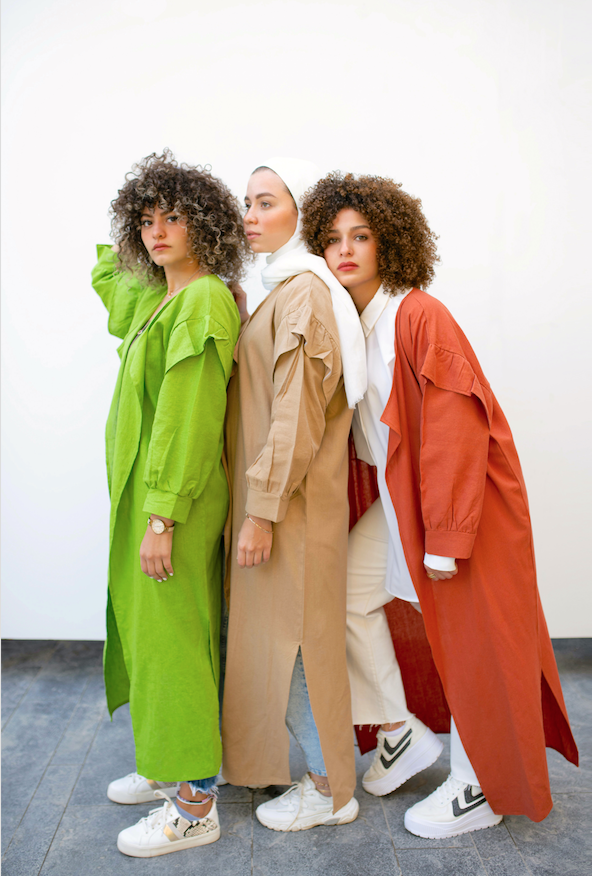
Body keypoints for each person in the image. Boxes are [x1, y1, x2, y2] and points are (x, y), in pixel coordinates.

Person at [301, 172, 579, 839]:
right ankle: (397, 731)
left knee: (477, 642)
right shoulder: (355, 322)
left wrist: (449, 536)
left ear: (389, 243)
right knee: (346, 597)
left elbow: (457, 424)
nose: (346, 250)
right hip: (408, 505)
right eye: (333, 239)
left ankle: (478, 785)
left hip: (462, 509)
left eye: (361, 236)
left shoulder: (418, 313)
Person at [91, 150, 246, 857]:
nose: (158, 231)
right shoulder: (158, 297)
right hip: (147, 501)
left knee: (176, 642)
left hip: (172, 504)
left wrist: (164, 516)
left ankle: (193, 803)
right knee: (150, 635)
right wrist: (132, 237)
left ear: (206, 225)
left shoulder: (204, 298)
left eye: (174, 218)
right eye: (146, 220)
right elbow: (107, 279)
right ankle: (166, 767)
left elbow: (190, 417)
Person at [221, 158, 367, 832]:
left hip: (294, 507)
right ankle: (310, 774)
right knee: (281, 638)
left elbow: (296, 413)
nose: (250, 216)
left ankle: (332, 789)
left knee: (301, 643)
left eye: (266, 202)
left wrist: (262, 510)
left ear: (297, 214)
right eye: (246, 204)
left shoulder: (305, 291)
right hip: (284, 503)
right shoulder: (282, 289)